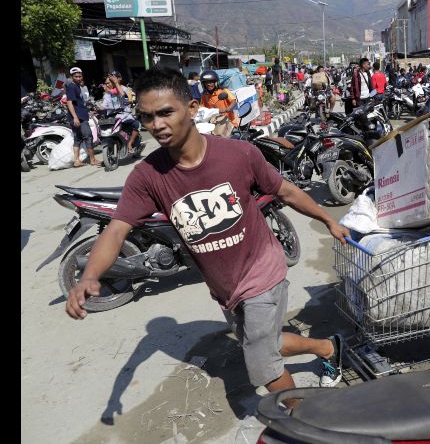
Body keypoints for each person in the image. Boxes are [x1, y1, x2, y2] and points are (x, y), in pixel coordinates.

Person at [64, 68, 352, 402]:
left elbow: (285, 191)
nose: (156, 125)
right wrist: (90, 276)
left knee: (262, 367)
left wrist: (328, 221)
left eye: (165, 112)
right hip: (224, 285)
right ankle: (329, 348)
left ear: (192, 108)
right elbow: (116, 229)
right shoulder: (147, 176)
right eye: (146, 117)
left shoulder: (238, 155)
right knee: (263, 344)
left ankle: (301, 422)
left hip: (262, 272)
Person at [65, 67, 101, 167]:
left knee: (77, 139)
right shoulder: (72, 86)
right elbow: (69, 103)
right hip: (78, 118)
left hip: (79, 116)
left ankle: (76, 161)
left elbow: (79, 102)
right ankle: (93, 160)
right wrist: (75, 117)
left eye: (80, 76)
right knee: (88, 137)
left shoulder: (77, 86)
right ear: (72, 77)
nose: (78, 78)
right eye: (76, 76)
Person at [102, 71, 144, 157]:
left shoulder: (125, 89)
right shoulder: (108, 93)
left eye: (113, 79)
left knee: (137, 124)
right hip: (112, 117)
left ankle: (130, 143)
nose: (110, 82)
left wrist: (116, 83)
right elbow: (104, 105)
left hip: (125, 116)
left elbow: (124, 95)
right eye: (109, 81)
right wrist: (99, 108)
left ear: (119, 79)